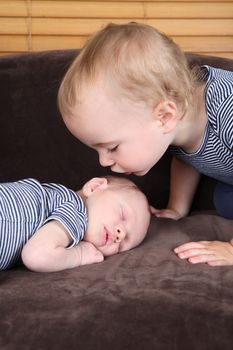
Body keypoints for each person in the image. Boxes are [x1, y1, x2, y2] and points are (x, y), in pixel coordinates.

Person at [58, 22, 233, 266]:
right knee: (225, 200)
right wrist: (176, 209)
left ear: (164, 117)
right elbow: (188, 157)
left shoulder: (225, 109)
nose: (104, 161)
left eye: (112, 147)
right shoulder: (175, 129)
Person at [0, 176, 150, 272]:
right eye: (123, 214)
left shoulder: (55, 197)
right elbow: (36, 255)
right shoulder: (76, 211)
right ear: (94, 187)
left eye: (123, 245)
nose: (121, 234)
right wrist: (80, 255)